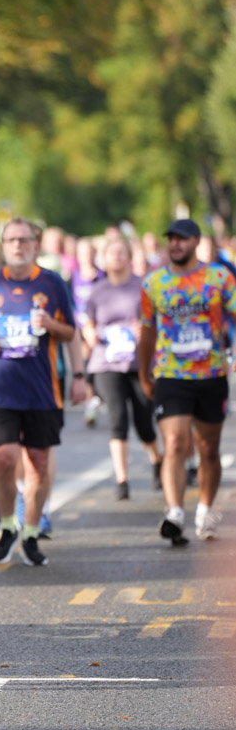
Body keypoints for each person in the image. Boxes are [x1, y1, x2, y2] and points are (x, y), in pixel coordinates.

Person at [0, 216, 76, 568]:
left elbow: (71, 333)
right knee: (3, 458)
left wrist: (50, 325)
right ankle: (5, 526)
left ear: (35, 244)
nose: (18, 246)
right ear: (3, 245)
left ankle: (30, 532)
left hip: (42, 390)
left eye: (25, 240)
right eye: (12, 240)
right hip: (1, 389)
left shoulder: (52, 283)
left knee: (38, 463)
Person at [139, 218, 236, 544]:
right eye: (171, 239)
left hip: (211, 373)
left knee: (209, 449)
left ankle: (204, 512)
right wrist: (144, 370)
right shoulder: (154, 283)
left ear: (196, 241)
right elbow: (147, 329)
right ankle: (175, 513)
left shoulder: (219, 277)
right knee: (176, 442)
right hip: (171, 373)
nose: (175, 245)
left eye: (182, 239)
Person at [83, 236, 162, 500]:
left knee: (144, 423)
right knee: (117, 418)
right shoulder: (97, 290)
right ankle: (122, 480)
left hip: (138, 361)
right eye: (111, 253)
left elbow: (156, 322)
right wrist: (90, 334)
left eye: (121, 252)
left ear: (130, 256)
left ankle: (156, 459)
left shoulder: (143, 286)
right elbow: (87, 323)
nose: (116, 257)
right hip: (106, 362)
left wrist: (144, 330)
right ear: (103, 259)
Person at [71, 237, 105, 427]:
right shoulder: (73, 277)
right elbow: (69, 302)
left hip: (100, 328)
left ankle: (97, 396)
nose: (86, 256)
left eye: (89, 252)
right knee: (86, 364)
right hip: (81, 329)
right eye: (82, 253)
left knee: (98, 365)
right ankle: (90, 403)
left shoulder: (102, 276)